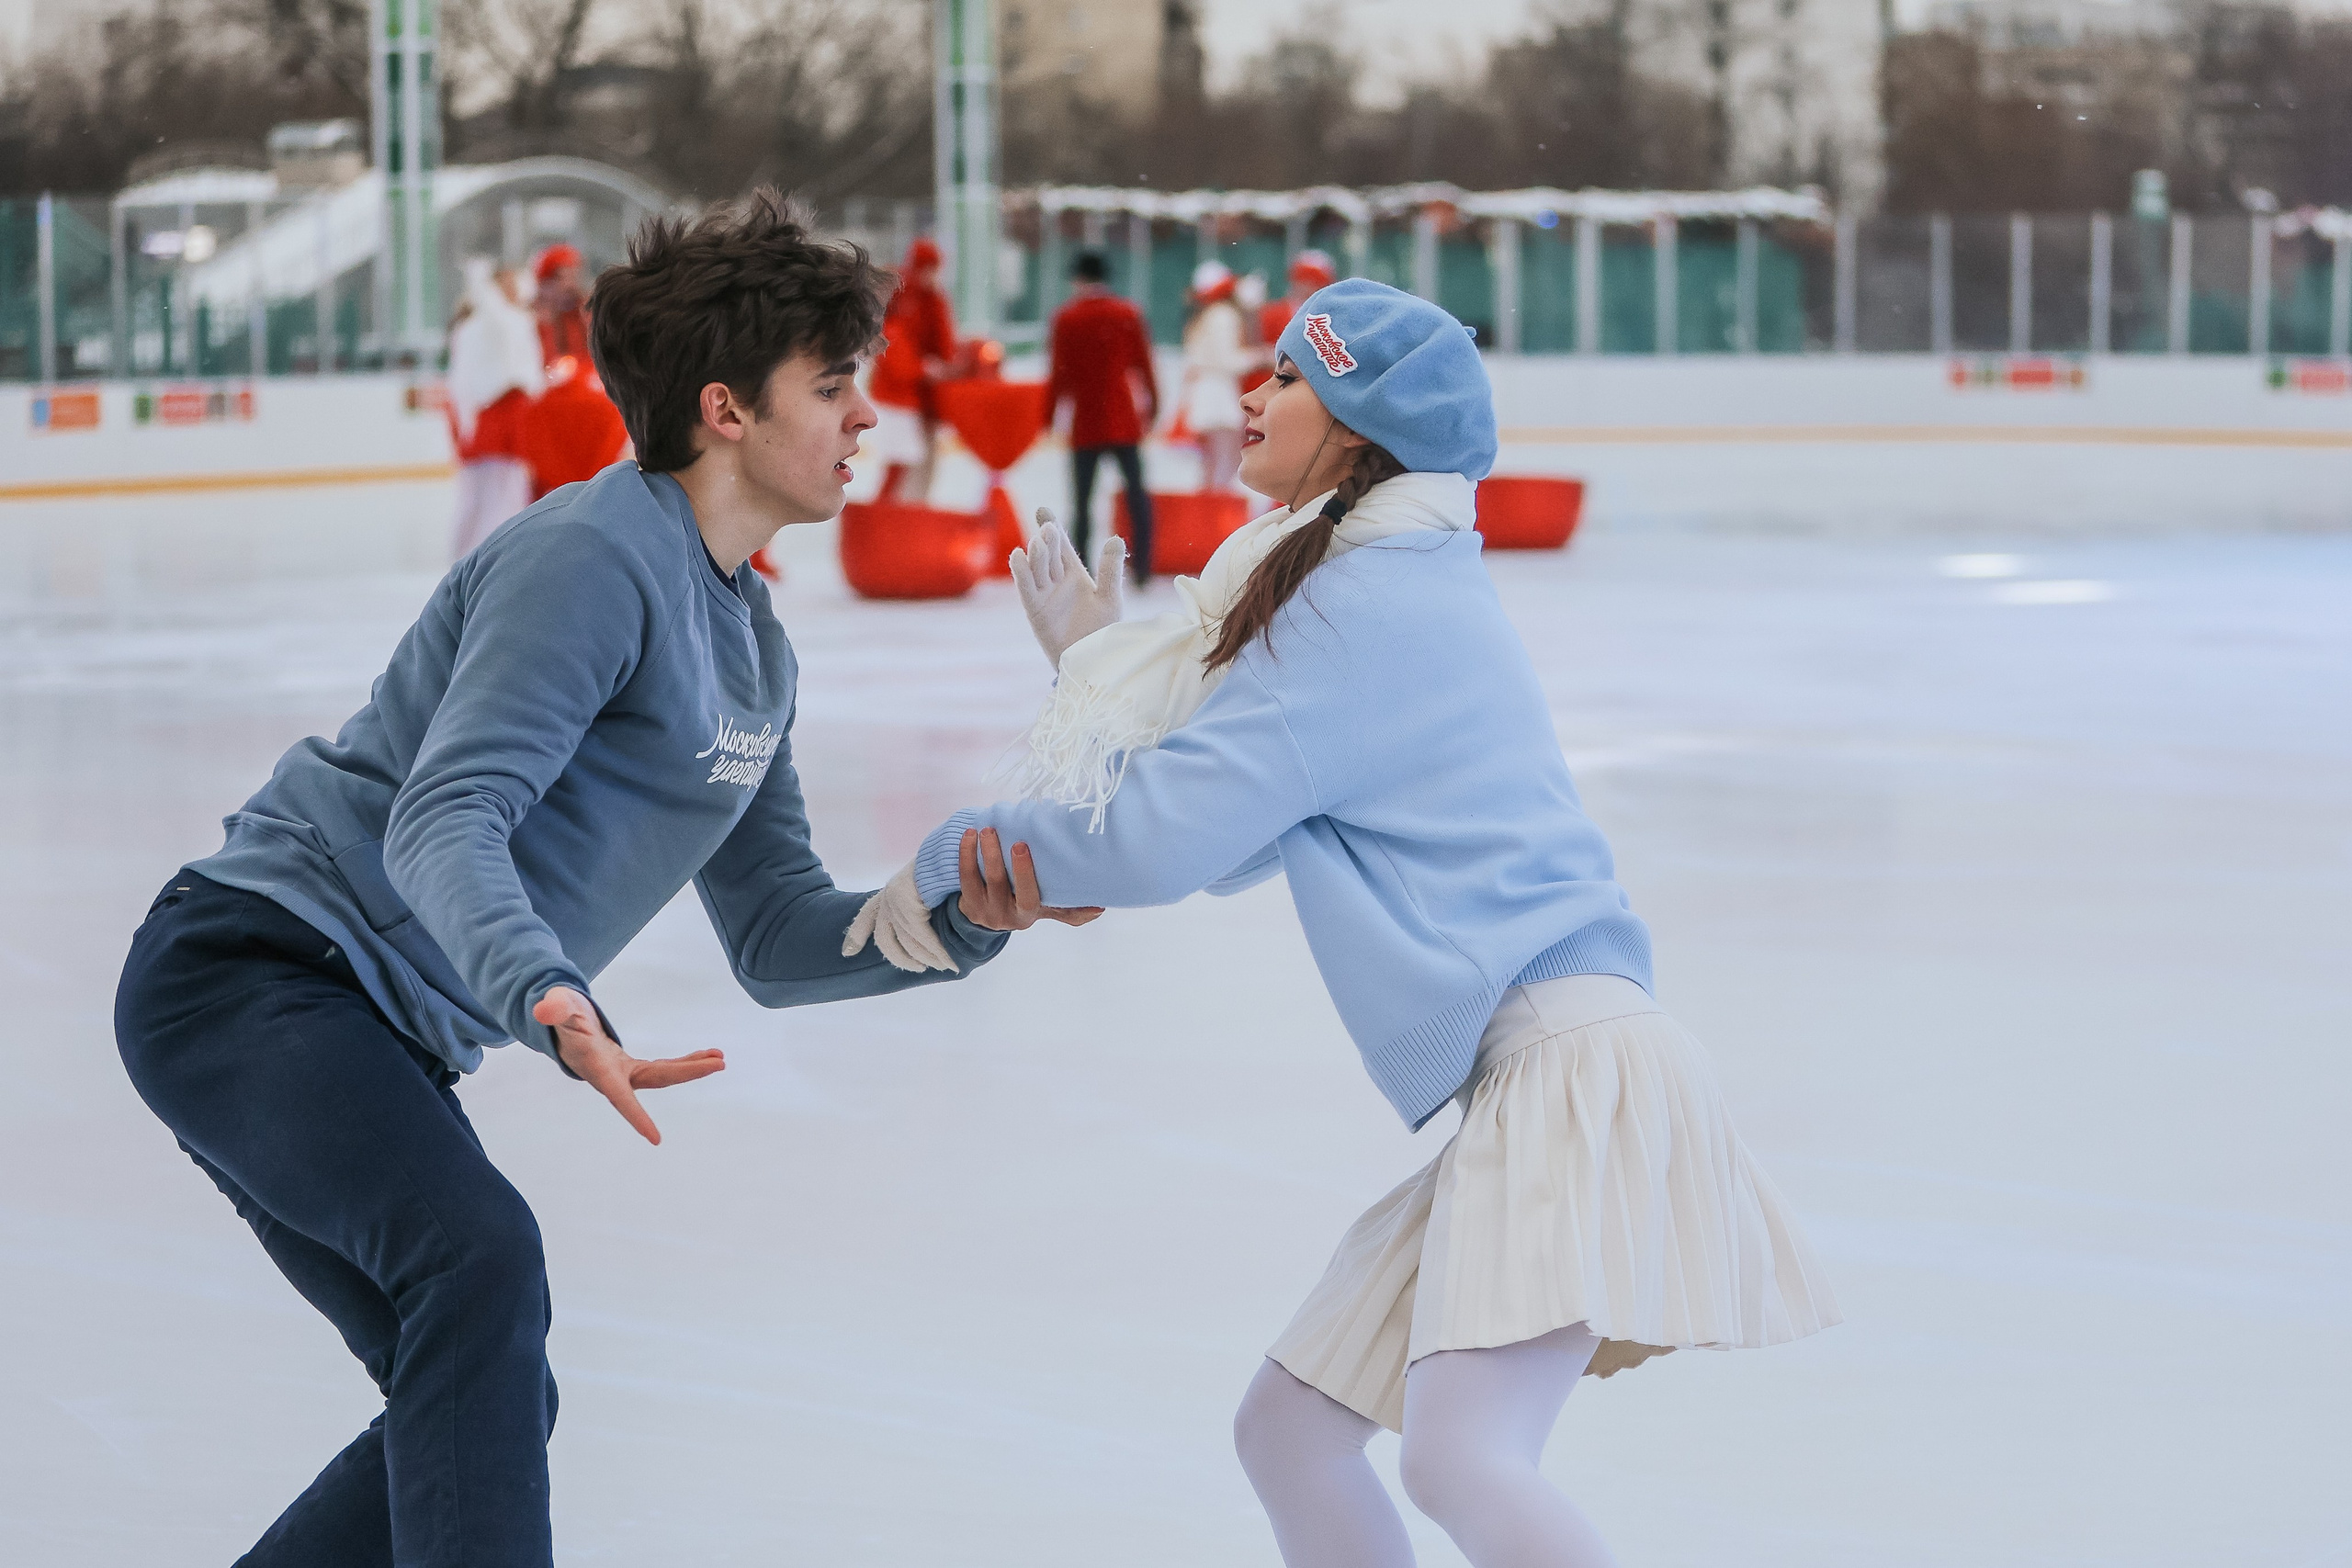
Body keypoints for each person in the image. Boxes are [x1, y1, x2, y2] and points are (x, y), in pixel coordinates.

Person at [112, 189, 1091, 1568]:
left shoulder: (755, 647)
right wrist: (555, 996)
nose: (869, 416)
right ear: (726, 410)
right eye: (833, 385)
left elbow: (775, 931)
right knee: (482, 1267)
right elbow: (445, 816)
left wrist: (961, 919)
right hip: (254, 972)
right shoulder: (592, 554)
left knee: (485, 1376)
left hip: (370, 1023)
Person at [854, 279, 1840, 1568]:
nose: (1251, 395)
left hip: (1574, 1070)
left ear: (1360, 428)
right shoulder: (1374, 578)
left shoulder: (1363, 603)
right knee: (1292, 1430)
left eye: (1286, 377)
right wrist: (1093, 678)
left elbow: (1163, 837)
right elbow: (1241, 831)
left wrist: (945, 863)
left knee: (1456, 1454)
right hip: (1547, 1070)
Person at [1045, 249, 1159, 583]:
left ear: (1078, 279)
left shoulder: (1067, 318)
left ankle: (1081, 567)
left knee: (1082, 500)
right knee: (1137, 494)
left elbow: (1059, 374)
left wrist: (1048, 415)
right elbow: (1144, 365)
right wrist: (1153, 404)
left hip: (1087, 418)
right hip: (1123, 416)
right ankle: (1143, 567)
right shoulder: (1127, 313)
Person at [445, 257, 544, 558]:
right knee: (495, 494)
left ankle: (483, 553)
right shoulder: (493, 321)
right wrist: (479, 279)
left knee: (496, 493)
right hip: (494, 417)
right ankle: (487, 554)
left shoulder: (506, 321)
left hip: (498, 418)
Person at [518, 241, 630, 500]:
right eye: (559, 277)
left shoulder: (586, 312)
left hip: (587, 414)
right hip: (550, 418)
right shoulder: (531, 319)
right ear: (543, 282)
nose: (567, 283)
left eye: (571, 275)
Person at [866, 235, 958, 502]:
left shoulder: (934, 299)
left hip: (921, 398)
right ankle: (892, 521)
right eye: (926, 269)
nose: (931, 276)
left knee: (919, 467)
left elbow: (943, 341)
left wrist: (943, 367)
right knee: (901, 465)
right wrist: (921, 368)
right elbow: (889, 340)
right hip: (899, 397)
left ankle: (909, 519)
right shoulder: (896, 292)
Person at [1178, 260, 1250, 493]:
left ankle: (1206, 513)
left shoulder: (1202, 317)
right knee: (1227, 462)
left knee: (1210, 464)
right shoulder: (1222, 316)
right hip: (1218, 392)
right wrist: (1261, 357)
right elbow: (1227, 361)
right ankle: (1216, 515)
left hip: (1204, 391)